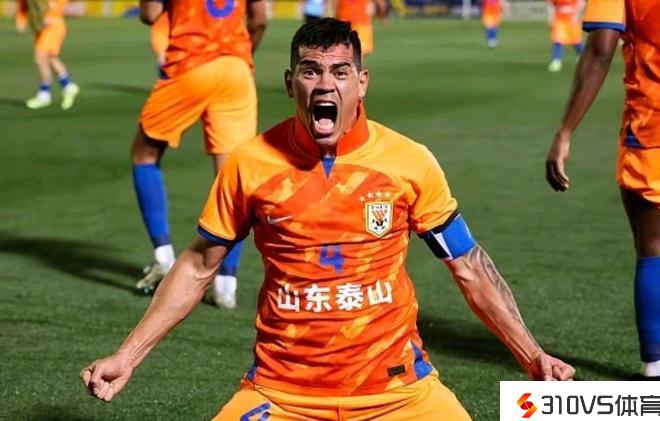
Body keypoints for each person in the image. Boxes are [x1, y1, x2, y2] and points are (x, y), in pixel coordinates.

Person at [82, 18, 574, 419]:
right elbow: (197, 266)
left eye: (340, 72)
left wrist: (531, 354)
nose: (325, 84)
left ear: (362, 83)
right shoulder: (249, 164)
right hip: (281, 395)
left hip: (401, 393)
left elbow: (468, 265)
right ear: (289, 83)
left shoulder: (409, 161)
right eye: (311, 71)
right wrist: (128, 355)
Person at [545, 0, 660, 377]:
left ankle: (655, 368)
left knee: (654, 249)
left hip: (652, 129)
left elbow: (600, 50)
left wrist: (564, 132)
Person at [131, 0, 267, 309]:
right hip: (236, 69)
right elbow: (259, 19)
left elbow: (149, 14)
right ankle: (226, 284)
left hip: (190, 64)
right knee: (232, 178)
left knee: (144, 154)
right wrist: (243, 53)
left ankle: (164, 259)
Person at [18, 0, 80, 110]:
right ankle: (67, 85)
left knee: (40, 57)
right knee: (50, 58)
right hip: (40, 27)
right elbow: (23, 5)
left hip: (53, 26)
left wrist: (52, 12)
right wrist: (21, 20)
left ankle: (44, 94)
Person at [546, 0, 584, 72]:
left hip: (572, 20)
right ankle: (556, 61)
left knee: (576, 41)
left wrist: (578, 15)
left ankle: (582, 56)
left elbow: (581, 3)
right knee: (558, 40)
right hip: (560, 20)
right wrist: (550, 17)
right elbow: (551, 5)